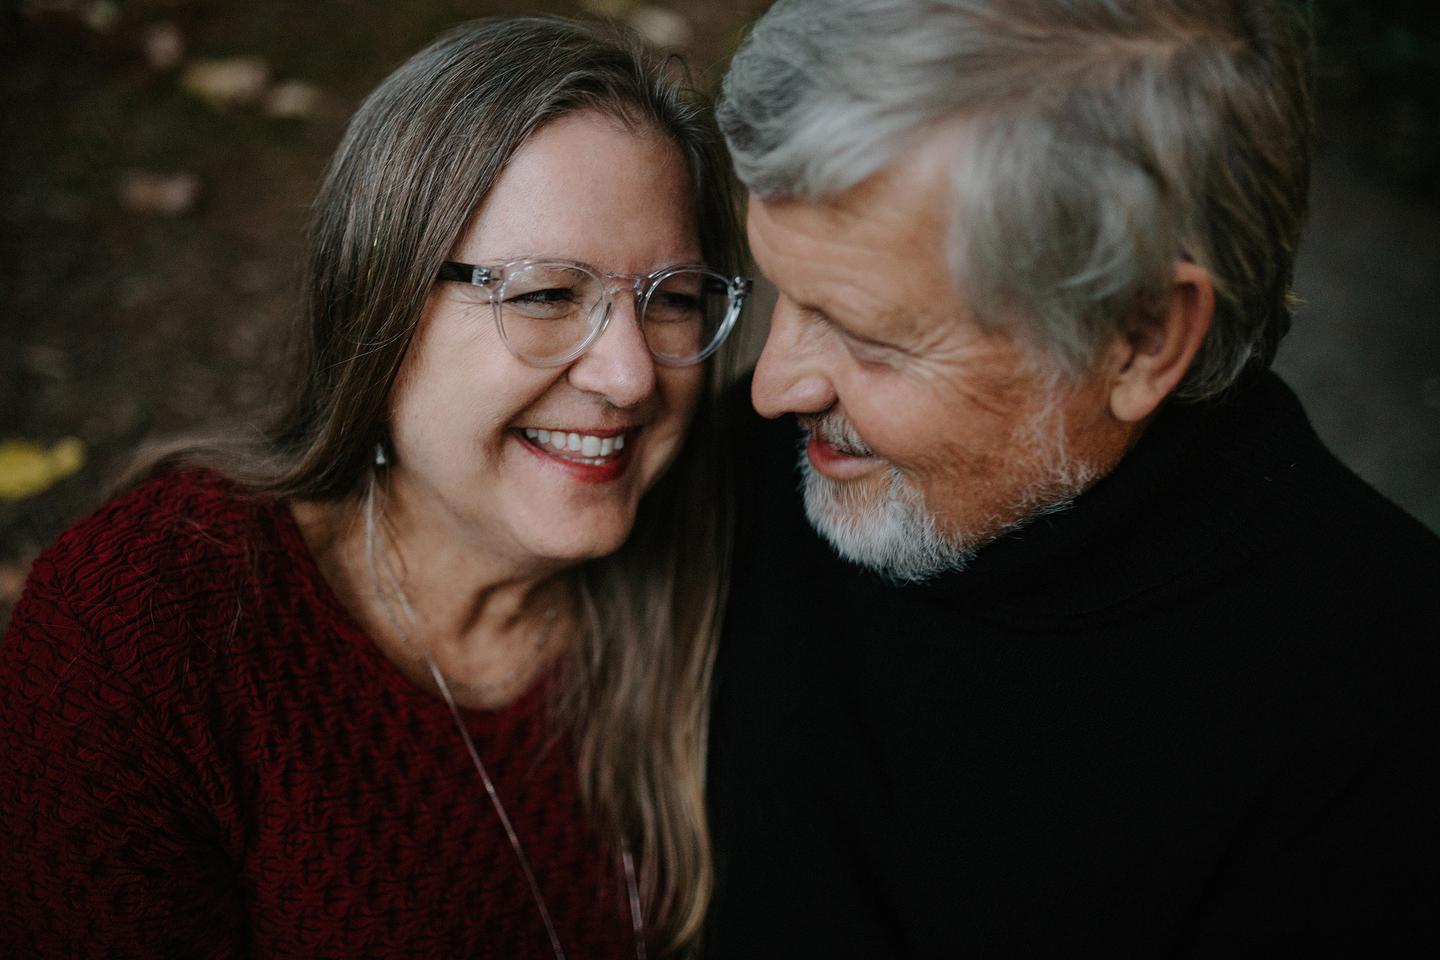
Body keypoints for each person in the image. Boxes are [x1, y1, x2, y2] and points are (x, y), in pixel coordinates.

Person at [0, 16, 750, 959]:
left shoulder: (743, 566)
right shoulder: (148, 632)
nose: (632, 375)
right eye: (546, 295)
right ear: (380, 304)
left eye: (674, 299)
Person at [706, 0, 1440, 955]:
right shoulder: (755, 470)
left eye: (870, 338)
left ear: (1139, 339)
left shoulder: (1387, 731)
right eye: (781, 293)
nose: (771, 386)